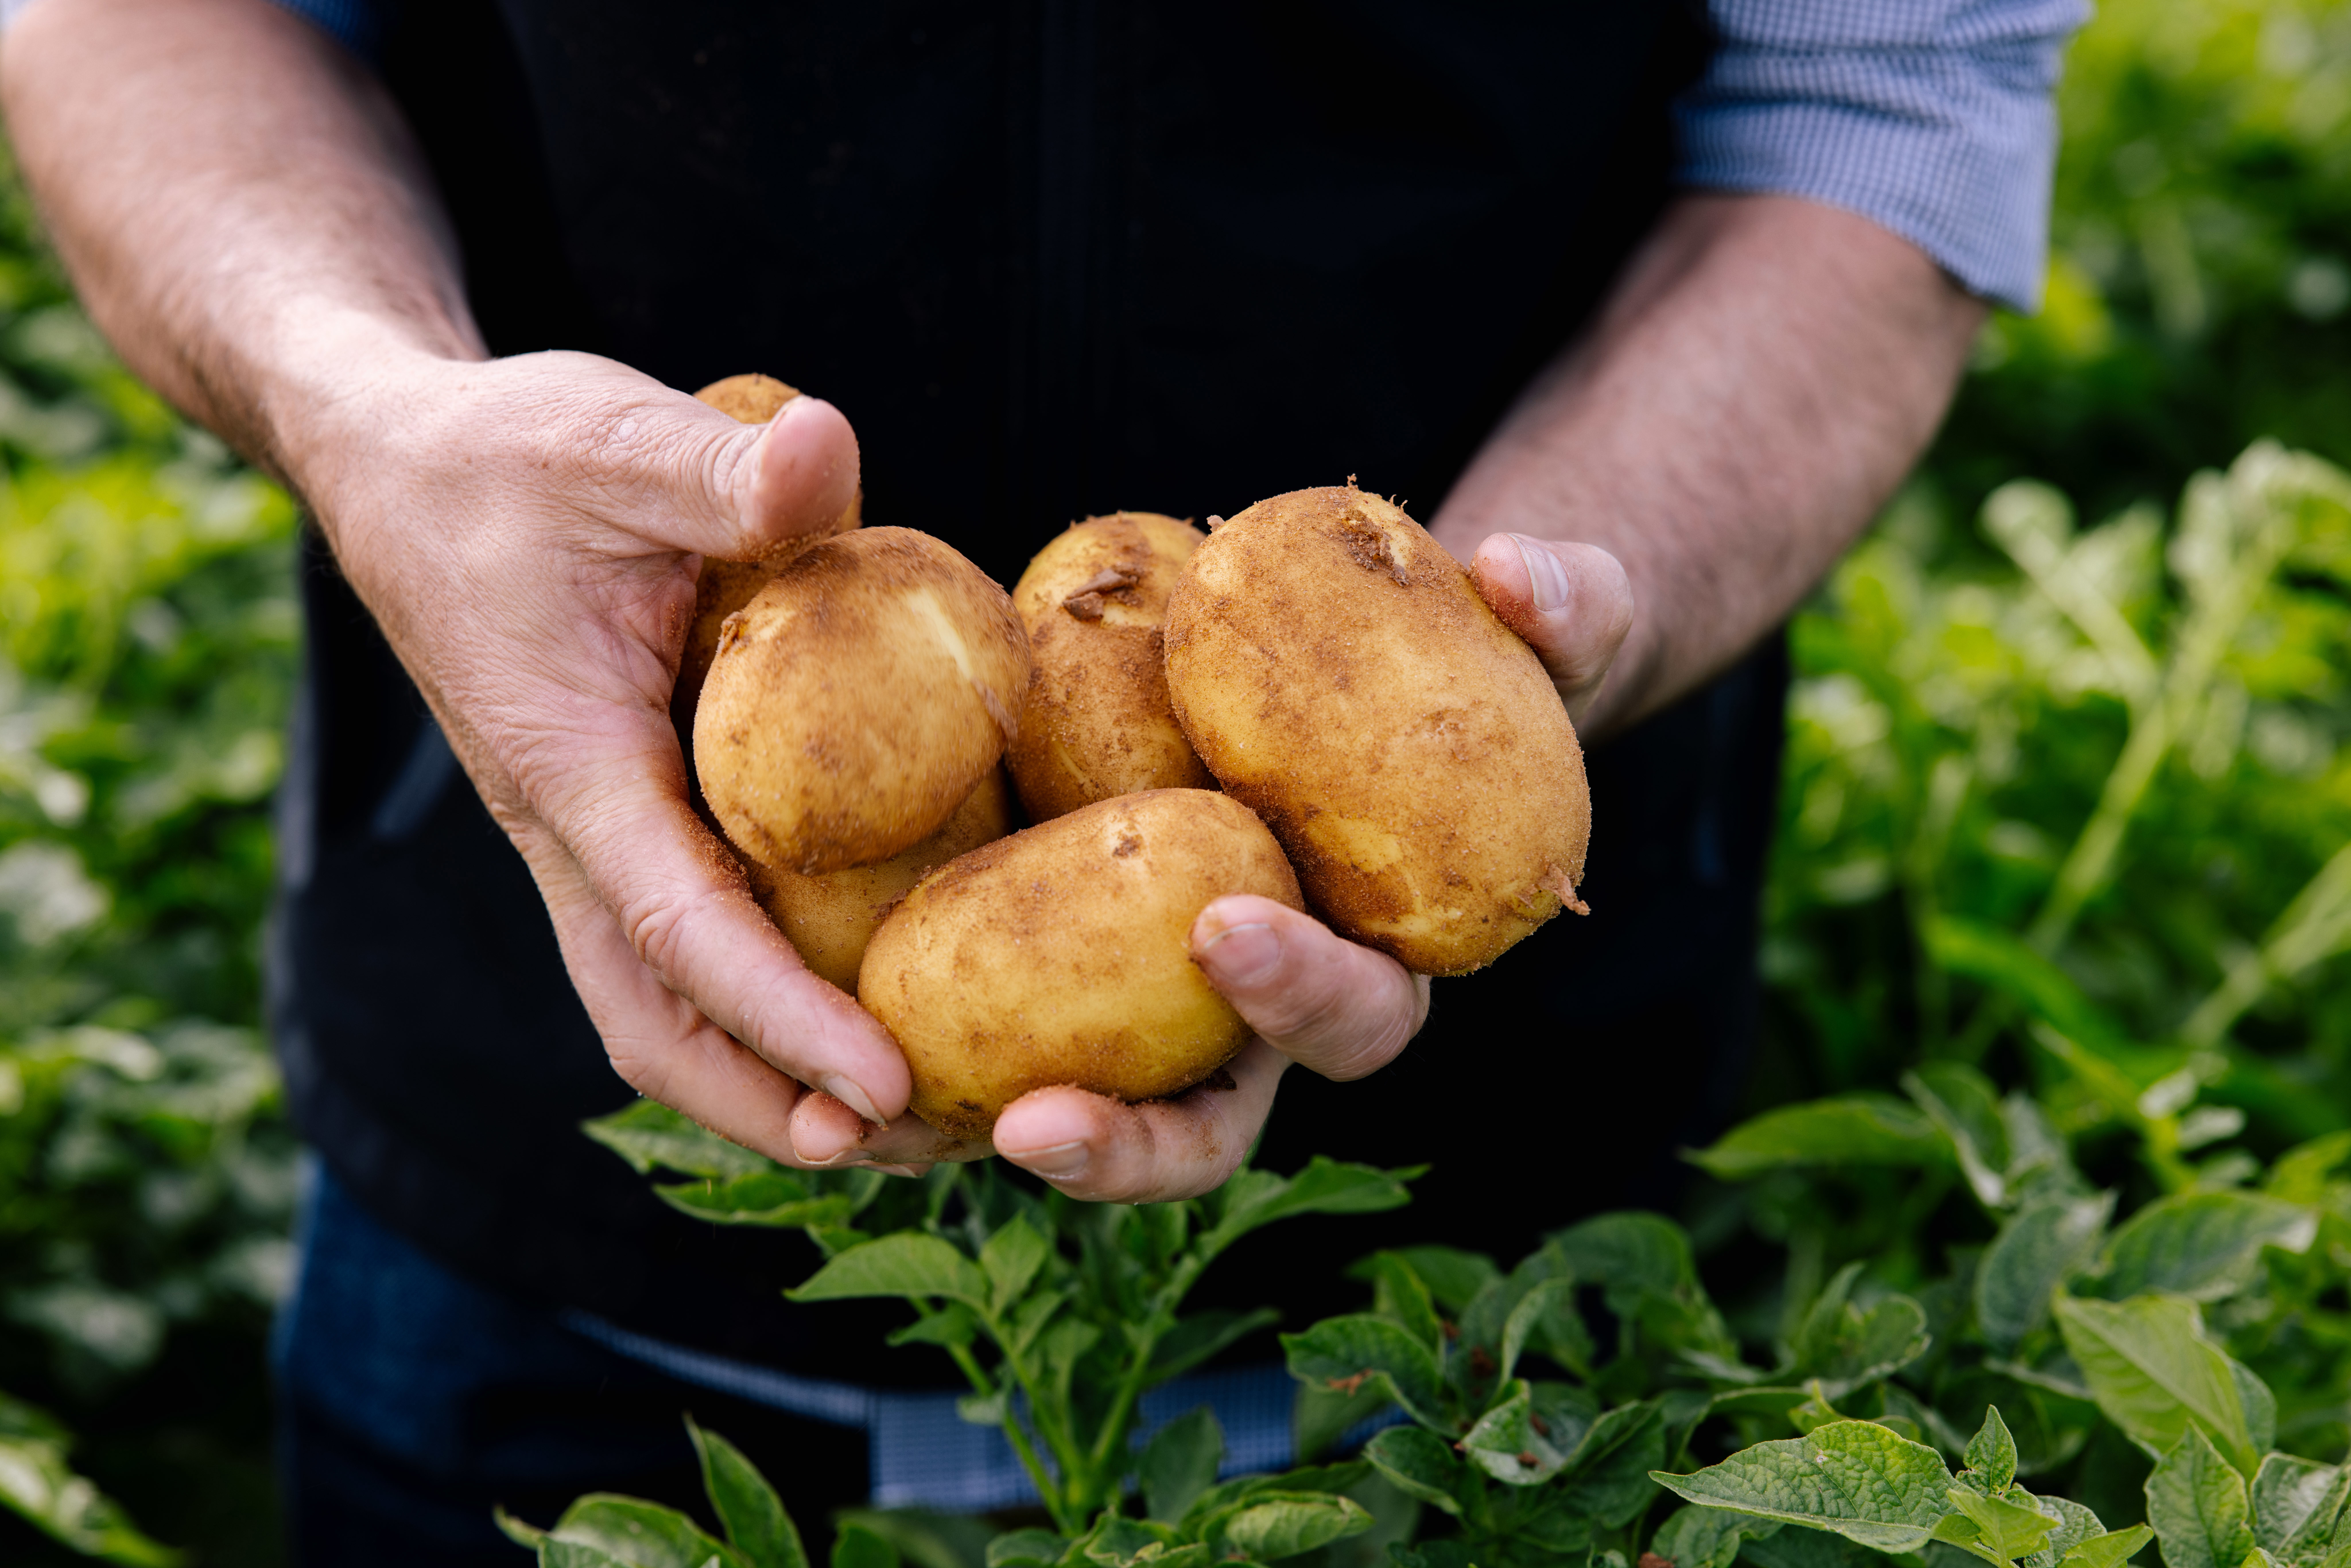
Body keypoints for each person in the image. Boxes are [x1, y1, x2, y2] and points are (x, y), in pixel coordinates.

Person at [1, 0, 2083, 1560]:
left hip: (1477, 1337)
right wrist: (371, 410)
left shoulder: (1236, 674)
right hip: (527, 1232)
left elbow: (1891, 90)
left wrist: (1561, 606)